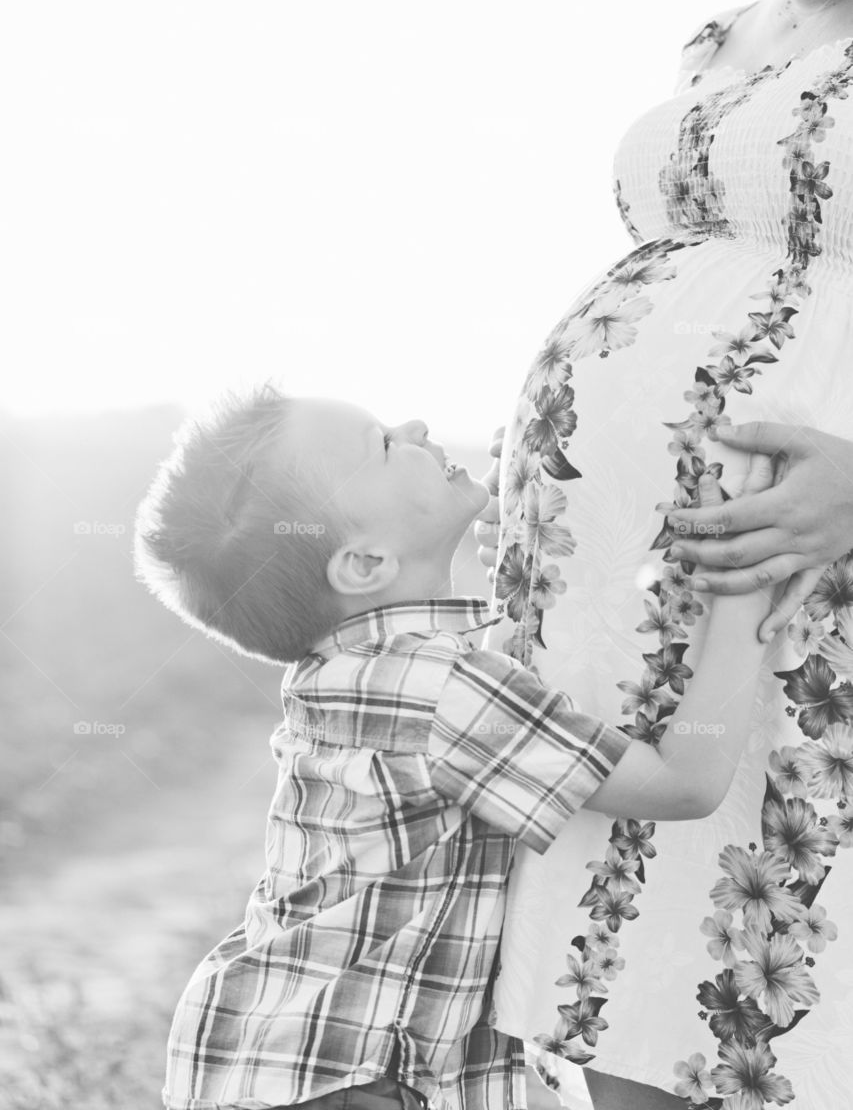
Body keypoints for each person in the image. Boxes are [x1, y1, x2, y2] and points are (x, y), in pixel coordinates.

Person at [475, 0, 853, 1108]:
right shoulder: (718, 42)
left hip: (801, 587)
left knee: (781, 1027)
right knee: (628, 1012)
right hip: (609, 610)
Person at [135, 384, 780, 1110]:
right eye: (382, 443)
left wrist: (526, 543)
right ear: (364, 564)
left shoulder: (351, 669)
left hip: (280, 1054)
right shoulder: (437, 686)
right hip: (345, 1077)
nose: (412, 425)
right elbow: (680, 784)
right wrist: (745, 586)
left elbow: (504, 686)